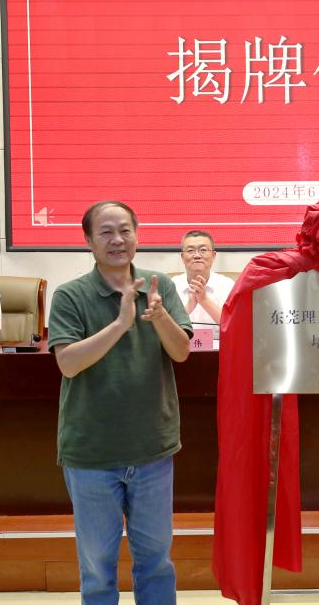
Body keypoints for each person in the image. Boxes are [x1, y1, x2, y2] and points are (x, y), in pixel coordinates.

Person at [48, 200, 192, 605]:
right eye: (106, 232)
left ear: (137, 235)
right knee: (97, 567)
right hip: (91, 453)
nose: (117, 240)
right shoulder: (70, 295)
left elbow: (181, 352)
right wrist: (120, 323)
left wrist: (159, 317)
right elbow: (68, 363)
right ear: (88, 241)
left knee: (156, 560)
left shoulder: (159, 287)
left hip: (152, 448)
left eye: (125, 230)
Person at [171, 229, 235, 337]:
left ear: (213, 255)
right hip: (180, 347)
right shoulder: (171, 286)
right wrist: (189, 306)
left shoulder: (227, 285)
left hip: (218, 347)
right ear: (182, 257)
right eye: (190, 250)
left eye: (203, 250)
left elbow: (234, 326)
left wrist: (204, 300)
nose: (197, 255)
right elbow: (165, 330)